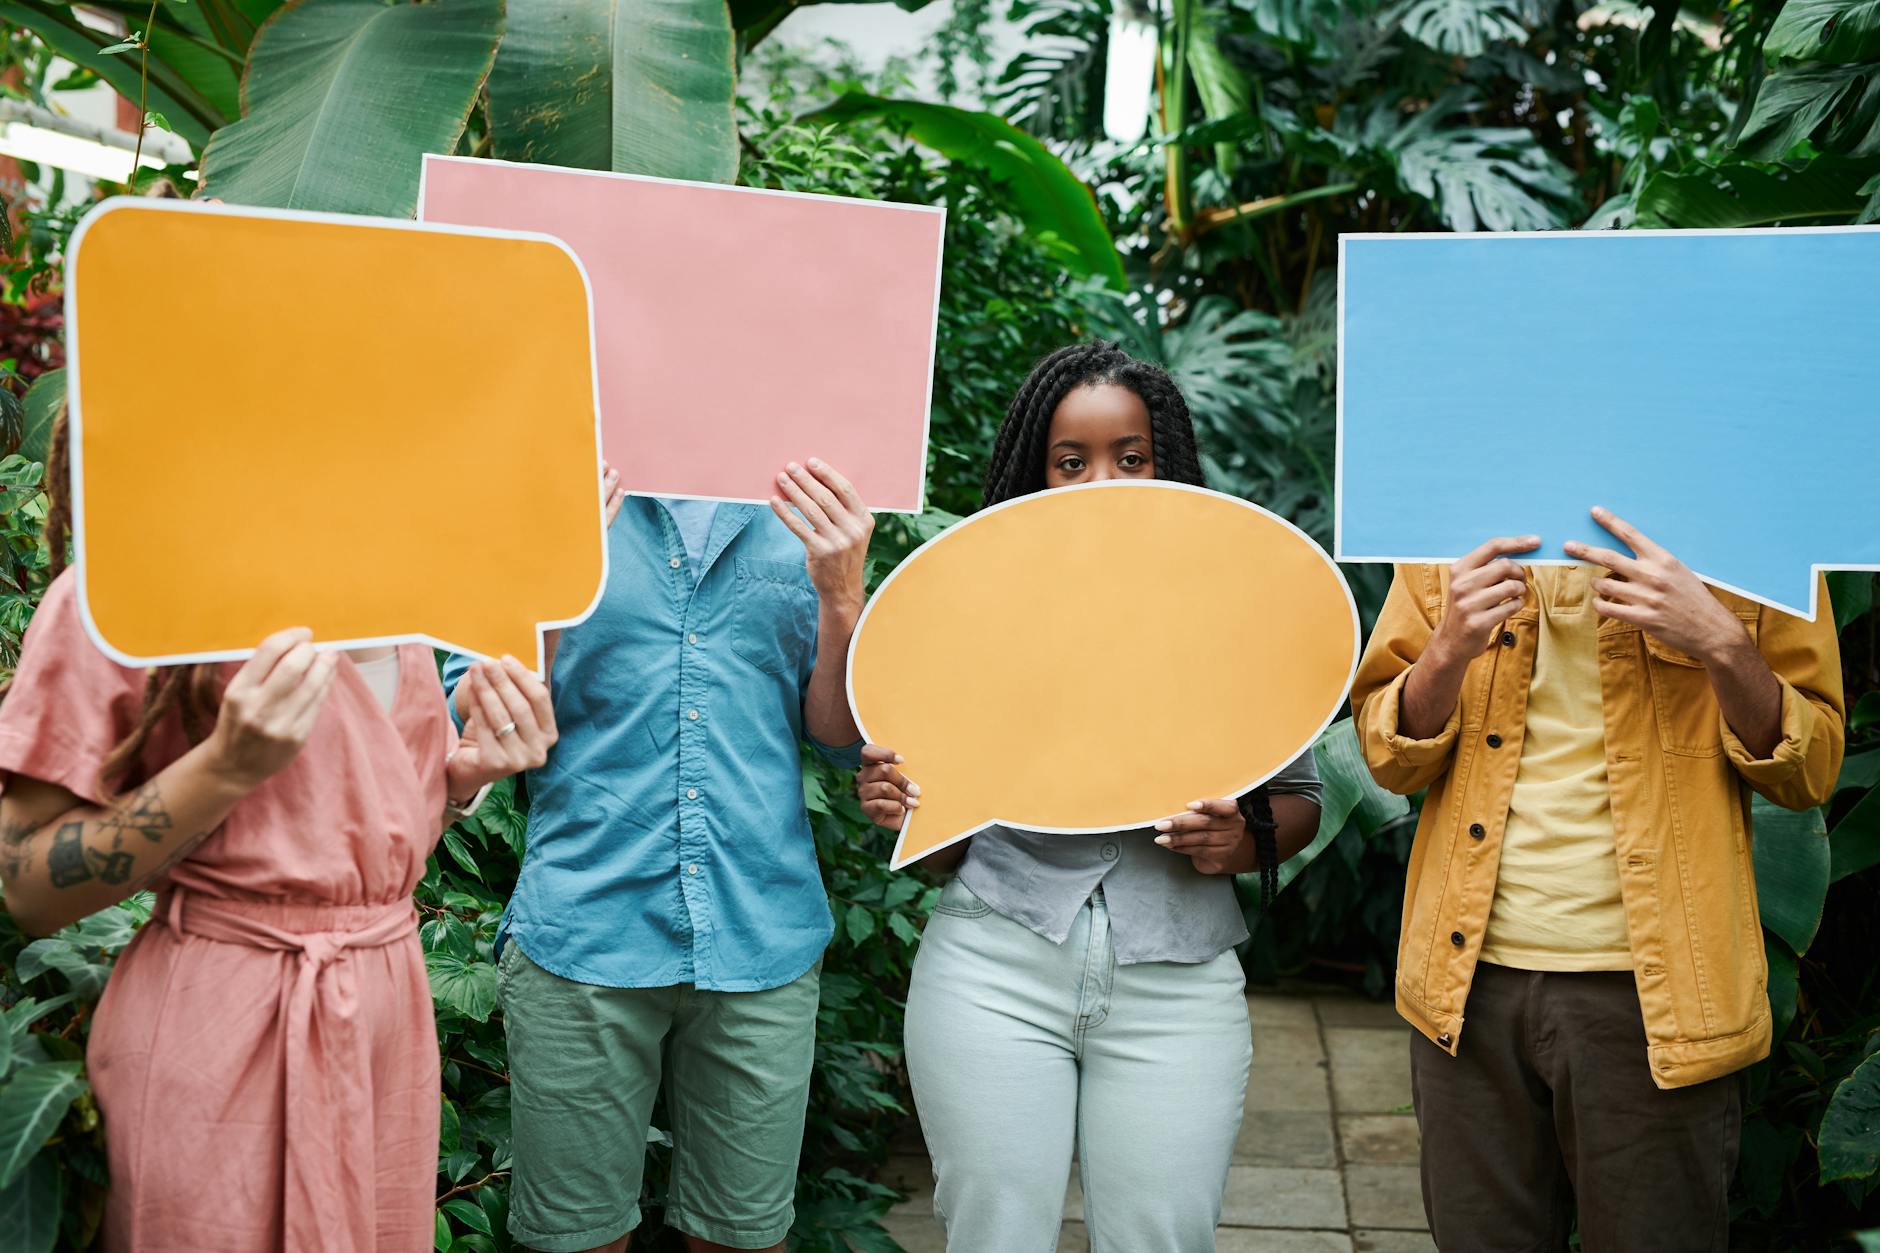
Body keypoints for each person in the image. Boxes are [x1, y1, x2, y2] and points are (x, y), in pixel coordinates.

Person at [0, 410, 558, 1253]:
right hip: (219, 1036)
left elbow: (344, 859)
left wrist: (462, 778)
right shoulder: (133, 585)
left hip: (385, 1030)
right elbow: (27, 886)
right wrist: (224, 766)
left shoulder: (394, 577)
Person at [855, 341, 1324, 1252]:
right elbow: (946, 842)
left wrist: (1242, 840)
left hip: (1179, 983)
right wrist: (907, 806)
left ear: (1166, 465)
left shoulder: (1234, 609)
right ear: (1036, 476)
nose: (1102, 478)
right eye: (1071, 461)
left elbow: (1297, 797)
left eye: (1130, 456)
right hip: (993, 965)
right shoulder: (969, 617)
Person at [1350, 515, 1844, 1252]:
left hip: (1658, 1001)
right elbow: (1391, 757)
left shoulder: (1748, 515)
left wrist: (1718, 639)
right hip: (1467, 990)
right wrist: (1450, 645)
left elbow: (1810, 767)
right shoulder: (1455, 512)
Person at [447, 459, 873, 1253]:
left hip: (761, 933)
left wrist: (842, 593)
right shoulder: (546, 483)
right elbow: (471, 717)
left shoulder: (812, 494)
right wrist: (542, 589)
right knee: (577, 1240)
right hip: (584, 931)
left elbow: (841, 740)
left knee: (743, 1238)